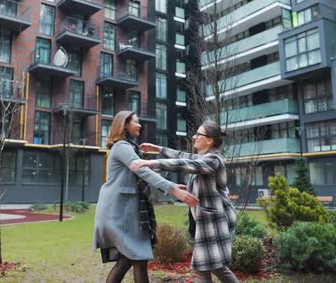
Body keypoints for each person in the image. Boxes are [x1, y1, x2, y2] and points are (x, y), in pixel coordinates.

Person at [93, 111, 199, 283]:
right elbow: (142, 171)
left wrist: (169, 183)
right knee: (136, 258)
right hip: (120, 213)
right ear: (124, 125)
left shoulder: (130, 147)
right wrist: (173, 189)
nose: (140, 125)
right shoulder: (122, 147)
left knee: (132, 259)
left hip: (127, 212)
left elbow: (145, 172)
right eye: (136, 122)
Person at [129, 121, 239, 283]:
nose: (194, 137)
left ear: (209, 140)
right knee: (215, 267)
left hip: (214, 221)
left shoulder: (214, 160)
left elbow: (189, 164)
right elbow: (183, 156)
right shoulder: (205, 157)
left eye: (198, 134)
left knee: (204, 268)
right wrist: (158, 149)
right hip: (209, 220)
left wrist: (151, 162)